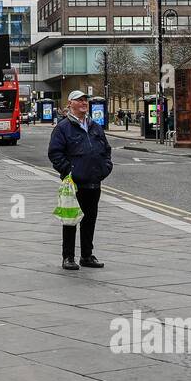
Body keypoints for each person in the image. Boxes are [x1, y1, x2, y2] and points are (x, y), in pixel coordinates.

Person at [49, 90, 113, 271]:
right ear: (70, 103)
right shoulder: (62, 127)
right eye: (80, 100)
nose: (84, 103)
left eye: (85, 100)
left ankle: (86, 255)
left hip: (94, 181)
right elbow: (55, 153)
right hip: (73, 184)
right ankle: (68, 257)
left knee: (90, 220)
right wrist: (69, 171)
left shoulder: (95, 126)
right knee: (70, 221)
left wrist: (105, 168)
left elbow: (106, 150)